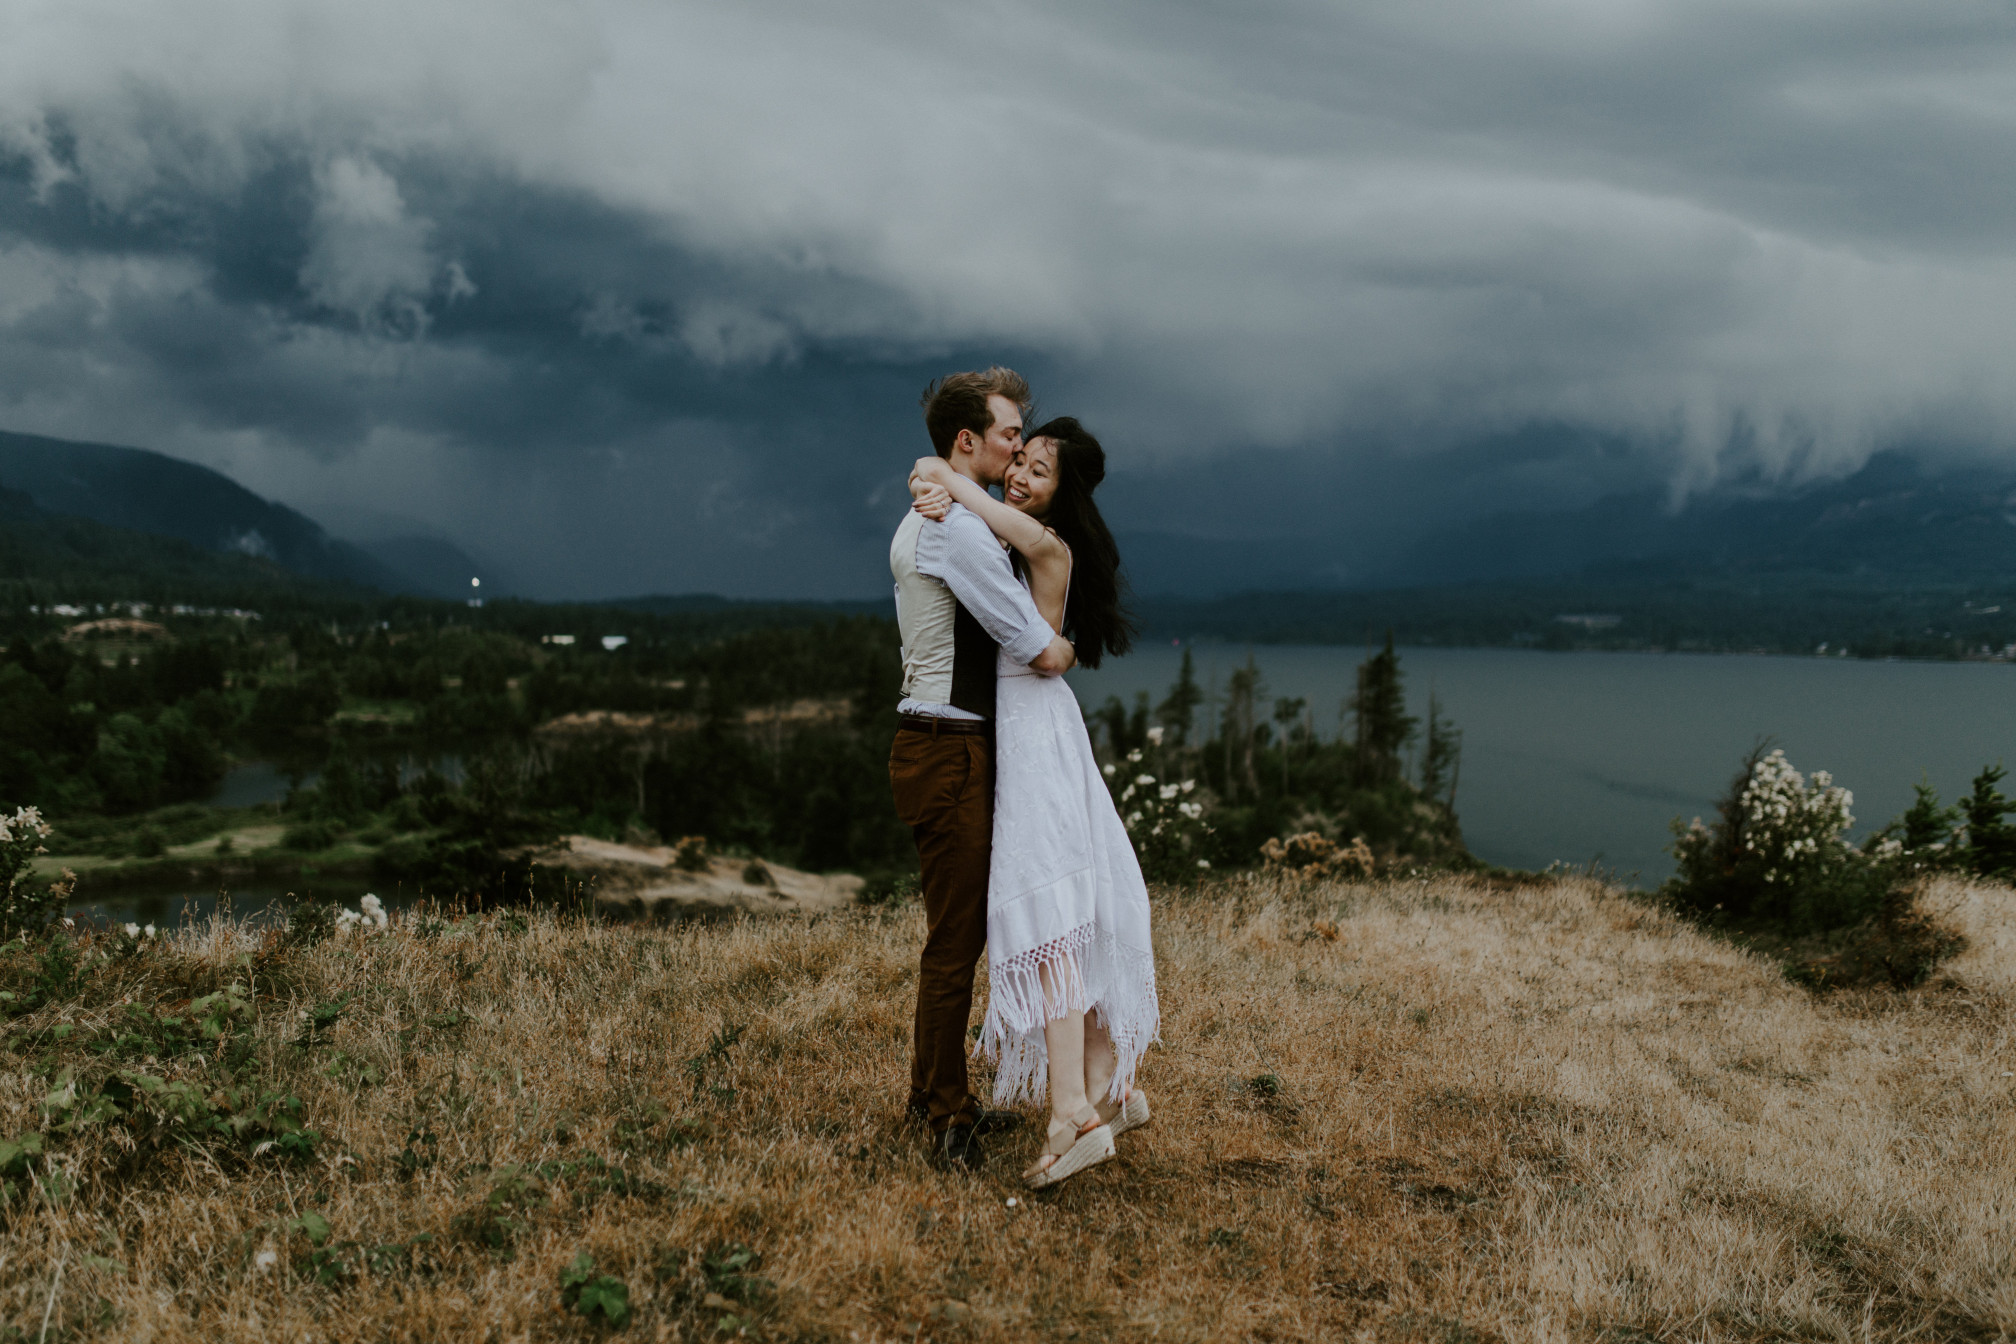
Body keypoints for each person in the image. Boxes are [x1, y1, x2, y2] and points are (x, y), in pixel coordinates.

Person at [909, 415, 1159, 1190]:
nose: (1018, 475)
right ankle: (1101, 1093)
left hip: (1035, 742)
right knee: (1060, 922)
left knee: (1049, 918)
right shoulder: (1022, 539)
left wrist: (949, 479)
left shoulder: (1048, 546)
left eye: (1039, 472)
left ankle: (1071, 1114)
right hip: (1018, 736)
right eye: (1019, 459)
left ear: (1062, 494)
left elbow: (999, 529)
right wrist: (940, 473)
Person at [888, 367, 1079, 1170]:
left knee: (955, 934)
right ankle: (945, 1116)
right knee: (954, 941)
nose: (1015, 445)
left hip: (942, 743)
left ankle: (933, 1089)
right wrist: (1063, 647)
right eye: (1006, 433)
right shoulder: (956, 530)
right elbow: (1033, 646)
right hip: (949, 748)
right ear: (967, 440)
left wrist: (935, 478)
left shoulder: (944, 509)